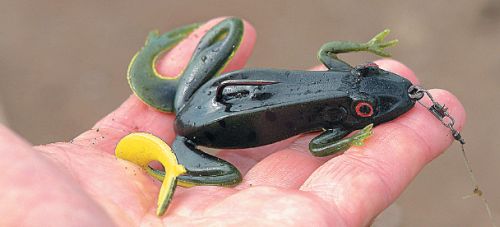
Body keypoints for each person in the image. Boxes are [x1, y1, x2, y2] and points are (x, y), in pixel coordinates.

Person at [0, 18, 465, 226]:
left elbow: (327, 56)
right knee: (229, 175)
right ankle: (171, 165)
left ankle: (170, 151)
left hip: (206, 97)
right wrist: (356, 133)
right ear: (351, 88)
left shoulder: (338, 81)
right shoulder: (335, 118)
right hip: (205, 128)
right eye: (365, 105)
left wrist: (363, 59)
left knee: (230, 32)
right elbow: (321, 147)